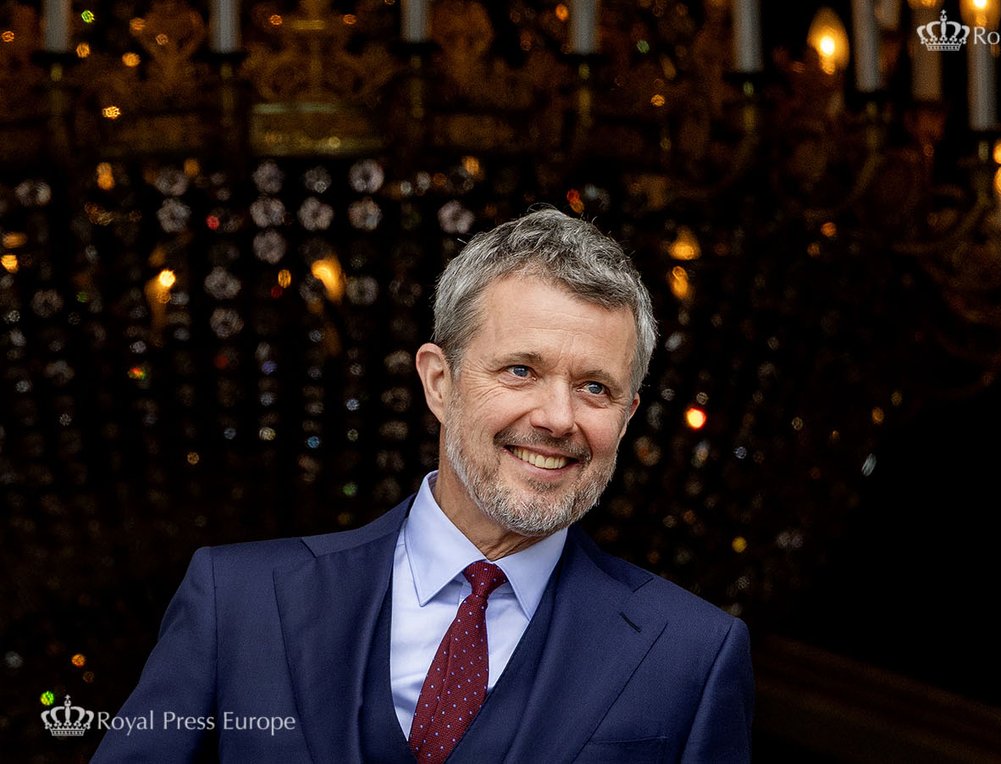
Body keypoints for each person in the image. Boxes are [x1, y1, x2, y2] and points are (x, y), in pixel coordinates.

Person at [92, 207, 754, 763]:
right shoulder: (236, 602)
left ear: (627, 416)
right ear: (440, 382)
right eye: (521, 370)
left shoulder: (692, 654)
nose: (558, 419)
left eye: (594, 388)